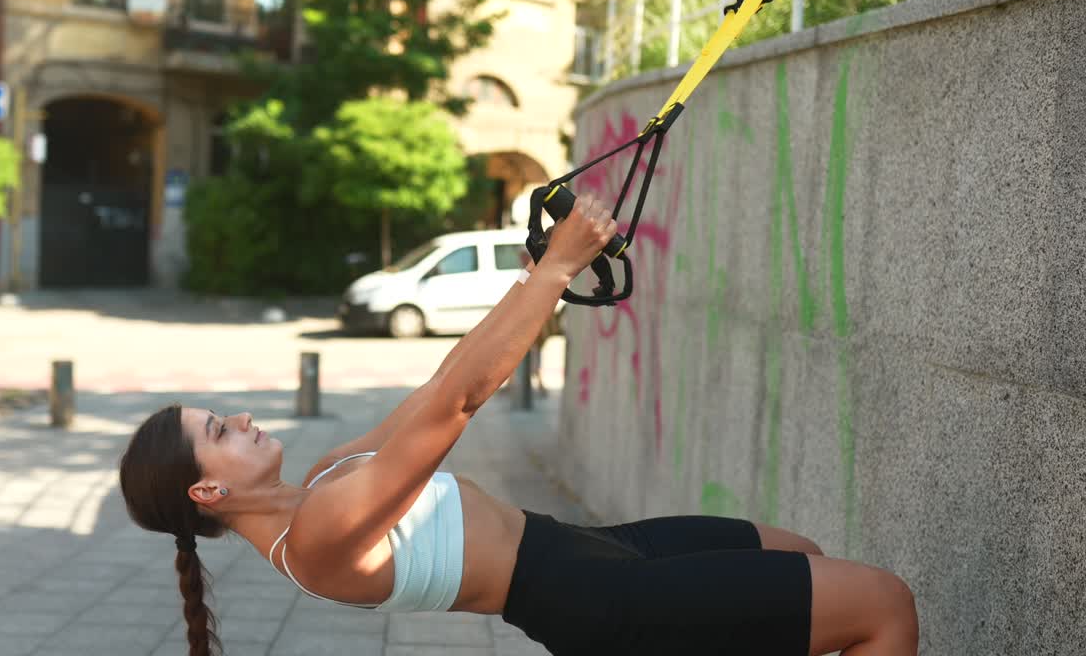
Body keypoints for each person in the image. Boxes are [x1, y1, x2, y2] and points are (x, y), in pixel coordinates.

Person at [118, 195, 919, 656]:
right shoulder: (321, 536)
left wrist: (538, 275)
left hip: (596, 549)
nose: (244, 418)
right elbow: (458, 404)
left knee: (800, 556)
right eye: (221, 427)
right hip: (600, 601)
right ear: (208, 487)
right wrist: (560, 268)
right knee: (883, 606)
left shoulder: (323, 479)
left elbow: (441, 376)